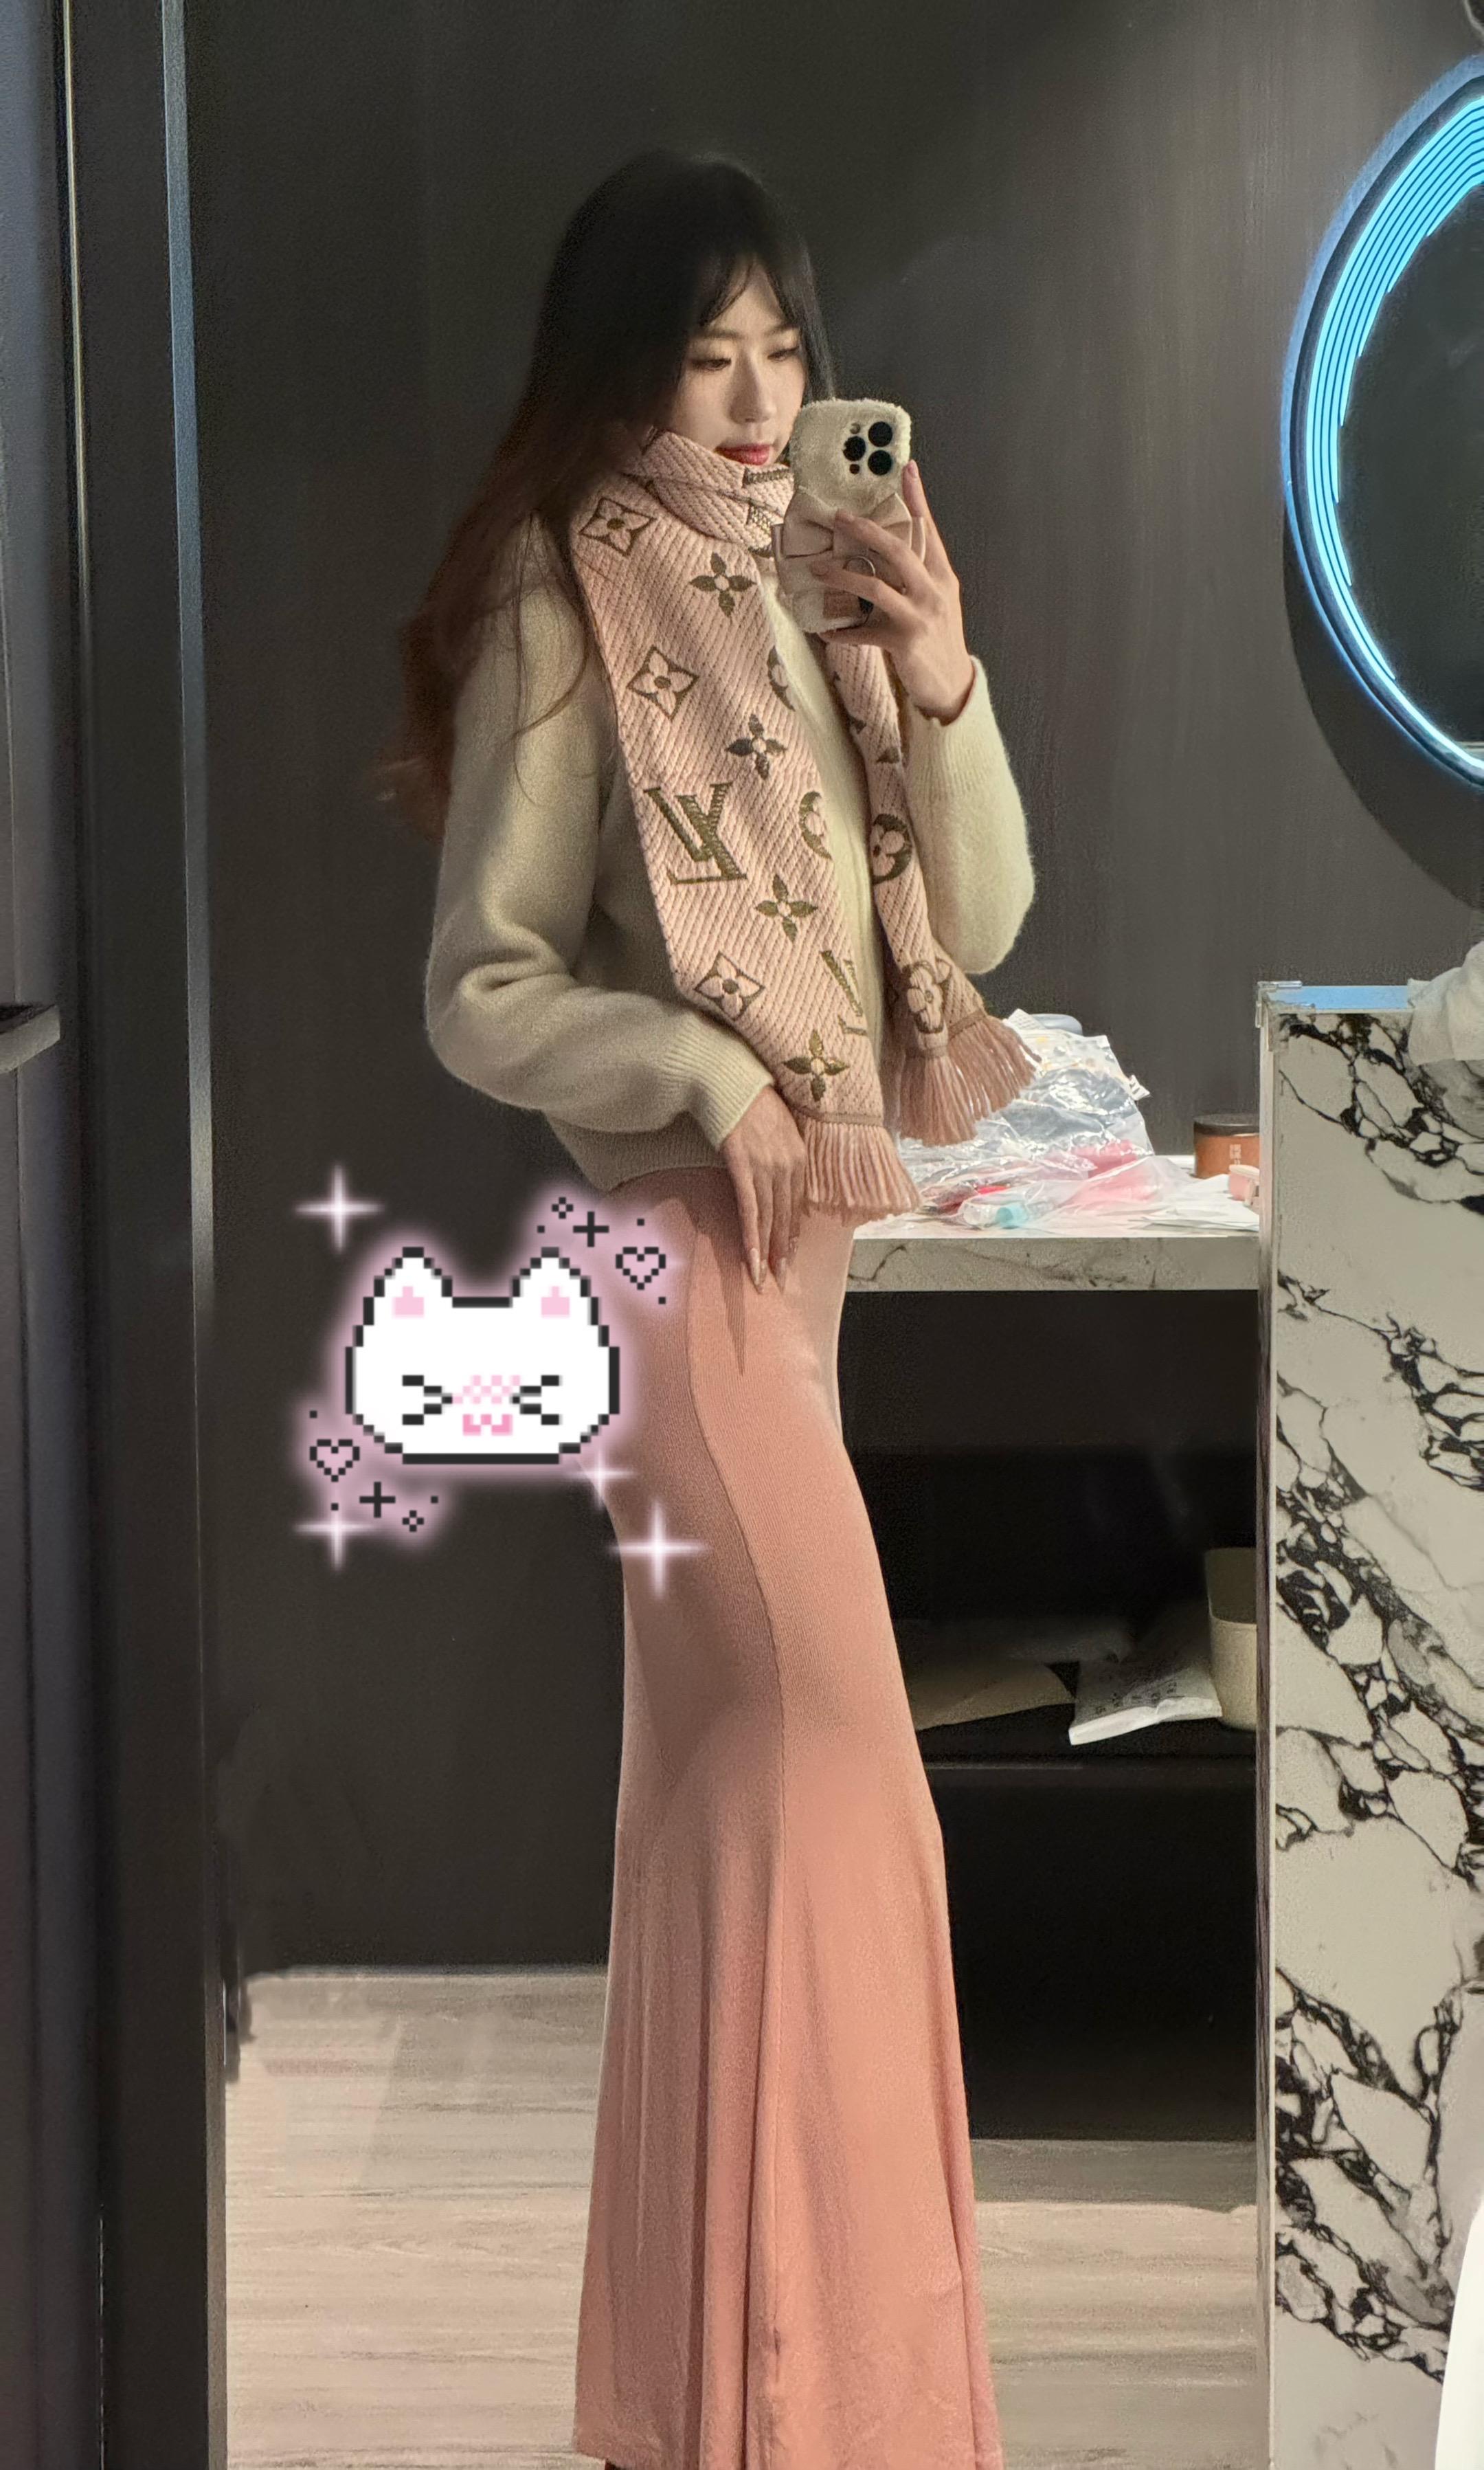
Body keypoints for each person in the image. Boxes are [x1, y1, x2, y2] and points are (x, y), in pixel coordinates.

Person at [391, 146, 1035, 2470]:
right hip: (681, 1276)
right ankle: (836, 2410)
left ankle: (702, 2405)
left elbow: (985, 919)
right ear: (622, 370)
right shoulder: (567, 600)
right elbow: (480, 987)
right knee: (849, 1810)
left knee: (707, 1834)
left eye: (783, 349)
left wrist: (941, 678)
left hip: (802, 1278)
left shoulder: (820, 587)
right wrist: (701, 1071)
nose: (760, 400)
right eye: (708, 355)